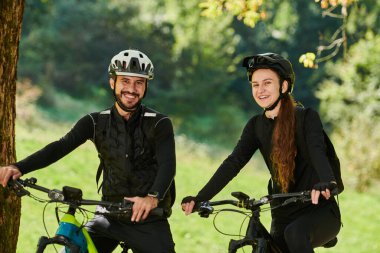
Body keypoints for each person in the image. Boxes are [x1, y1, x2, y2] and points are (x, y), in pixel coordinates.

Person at [0, 49, 176, 253]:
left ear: (145, 86)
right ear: (113, 83)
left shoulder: (159, 123)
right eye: (125, 81)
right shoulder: (94, 122)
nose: (132, 89)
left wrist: (152, 197)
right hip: (108, 215)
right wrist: (18, 167)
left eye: (139, 82)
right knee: (76, 249)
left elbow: (168, 165)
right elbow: (60, 146)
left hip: (147, 218)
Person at [181, 53, 341, 253]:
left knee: (295, 234)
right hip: (283, 212)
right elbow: (233, 163)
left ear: (283, 86)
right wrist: (199, 198)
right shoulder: (256, 126)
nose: (260, 90)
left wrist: (328, 182)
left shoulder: (306, 118)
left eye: (267, 83)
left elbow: (318, 152)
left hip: (319, 209)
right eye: (255, 85)